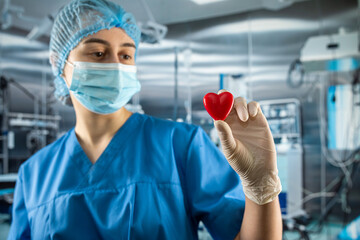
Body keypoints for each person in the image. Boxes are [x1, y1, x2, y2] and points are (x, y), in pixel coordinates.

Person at [7, 0, 282, 239]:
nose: (116, 64)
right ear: (59, 64)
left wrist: (261, 186)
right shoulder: (34, 174)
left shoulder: (181, 146)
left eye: (126, 54)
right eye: (98, 53)